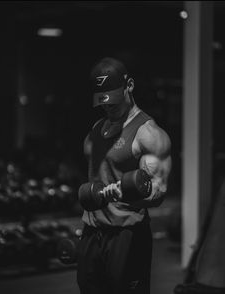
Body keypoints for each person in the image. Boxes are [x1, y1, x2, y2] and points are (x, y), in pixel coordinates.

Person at [77, 57, 172, 294]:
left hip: (127, 235)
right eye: (103, 102)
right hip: (92, 232)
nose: (108, 107)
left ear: (129, 85)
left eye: (113, 100)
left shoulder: (148, 134)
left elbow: (159, 190)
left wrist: (128, 194)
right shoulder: (96, 130)